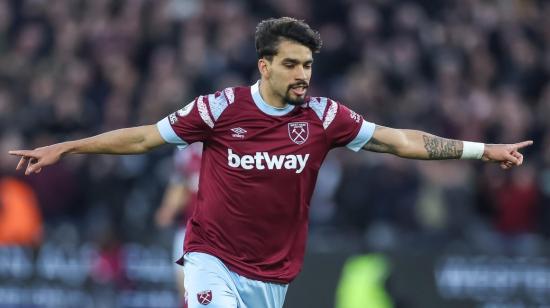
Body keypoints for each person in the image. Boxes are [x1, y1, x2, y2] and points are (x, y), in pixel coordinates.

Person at [8, 17, 532, 308]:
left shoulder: (326, 116)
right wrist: (67, 147)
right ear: (265, 65)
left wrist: (481, 151)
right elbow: (145, 137)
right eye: (292, 63)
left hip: (275, 276)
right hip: (211, 258)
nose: (303, 73)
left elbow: (403, 142)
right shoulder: (219, 109)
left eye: (308, 64)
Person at [155, 142, 202, 306]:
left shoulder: (229, 150)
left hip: (217, 232)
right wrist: (169, 207)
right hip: (188, 229)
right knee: (186, 289)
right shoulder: (187, 153)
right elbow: (178, 183)